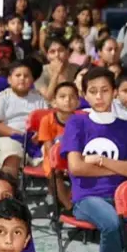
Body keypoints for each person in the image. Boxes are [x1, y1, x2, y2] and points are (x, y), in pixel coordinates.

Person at [61, 67, 127, 252]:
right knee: (112, 223)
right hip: (87, 198)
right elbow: (76, 167)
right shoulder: (77, 123)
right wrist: (119, 167)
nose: (99, 97)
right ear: (85, 95)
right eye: (93, 91)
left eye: (105, 90)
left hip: (121, 196)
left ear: (114, 92)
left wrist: (100, 161)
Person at [0, 61, 47, 176]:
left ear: (32, 80)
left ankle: (54, 190)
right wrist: (16, 134)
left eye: (26, 76)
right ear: (9, 79)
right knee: (11, 155)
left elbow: (47, 121)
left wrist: (40, 134)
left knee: (51, 154)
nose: (22, 79)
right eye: (18, 75)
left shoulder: (39, 98)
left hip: (35, 139)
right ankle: (10, 187)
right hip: (9, 136)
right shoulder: (3, 98)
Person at [38, 81, 78, 209]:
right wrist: (62, 164)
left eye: (72, 97)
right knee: (56, 173)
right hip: (53, 158)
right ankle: (69, 208)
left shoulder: (82, 120)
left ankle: (78, 201)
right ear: (54, 102)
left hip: (76, 158)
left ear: (78, 102)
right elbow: (49, 148)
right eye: (63, 97)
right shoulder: (47, 120)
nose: (68, 100)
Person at [36, 37, 80, 102]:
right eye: (52, 52)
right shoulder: (39, 72)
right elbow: (47, 98)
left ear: (67, 52)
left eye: (61, 50)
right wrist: (56, 73)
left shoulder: (77, 69)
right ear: (47, 56)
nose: (57, 55)